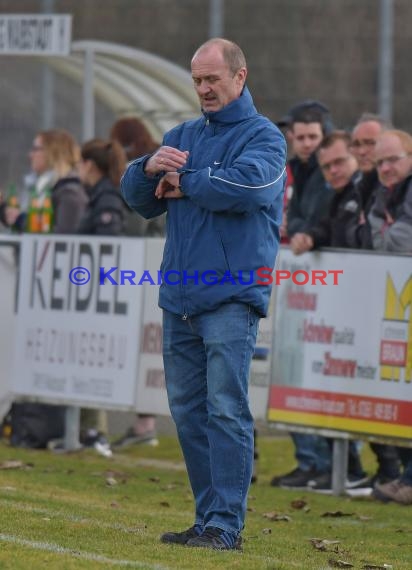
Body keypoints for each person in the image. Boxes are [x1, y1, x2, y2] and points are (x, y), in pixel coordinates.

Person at [121, 38, 286, 550]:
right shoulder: (182, 134)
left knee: (226, 408)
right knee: (188, 412)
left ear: (240, 77)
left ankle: (225, 525)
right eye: (197, 79)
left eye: (212, 78)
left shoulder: (265, 137)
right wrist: (147, 169)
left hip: (231, 296)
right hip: (180, 297)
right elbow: (140, 201)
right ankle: (207, 518)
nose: (204, 88)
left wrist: (186, 179)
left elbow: (249, 189)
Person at [110, 117, 162, 448]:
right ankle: (146, 423)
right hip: (164, 265)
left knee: (149, 344)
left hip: (149, 268)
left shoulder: (145, 169)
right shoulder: (159, 159)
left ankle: (146, 424)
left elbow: (140, 223)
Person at [76, 138, 127, 443]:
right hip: (92, 291)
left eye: (80, 163)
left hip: (99, 293)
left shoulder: (107, 198)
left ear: (90, 166)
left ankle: (96, 432)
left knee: (93, 359)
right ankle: (90, 430)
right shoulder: (98, 195)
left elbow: (107, 244)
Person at [0, 129, 87, 234]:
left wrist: (20, 220)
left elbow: (63, 238)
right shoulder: (43, 188)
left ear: (53, 152)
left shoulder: (70, 193)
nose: (30, 155)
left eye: (35, 149)